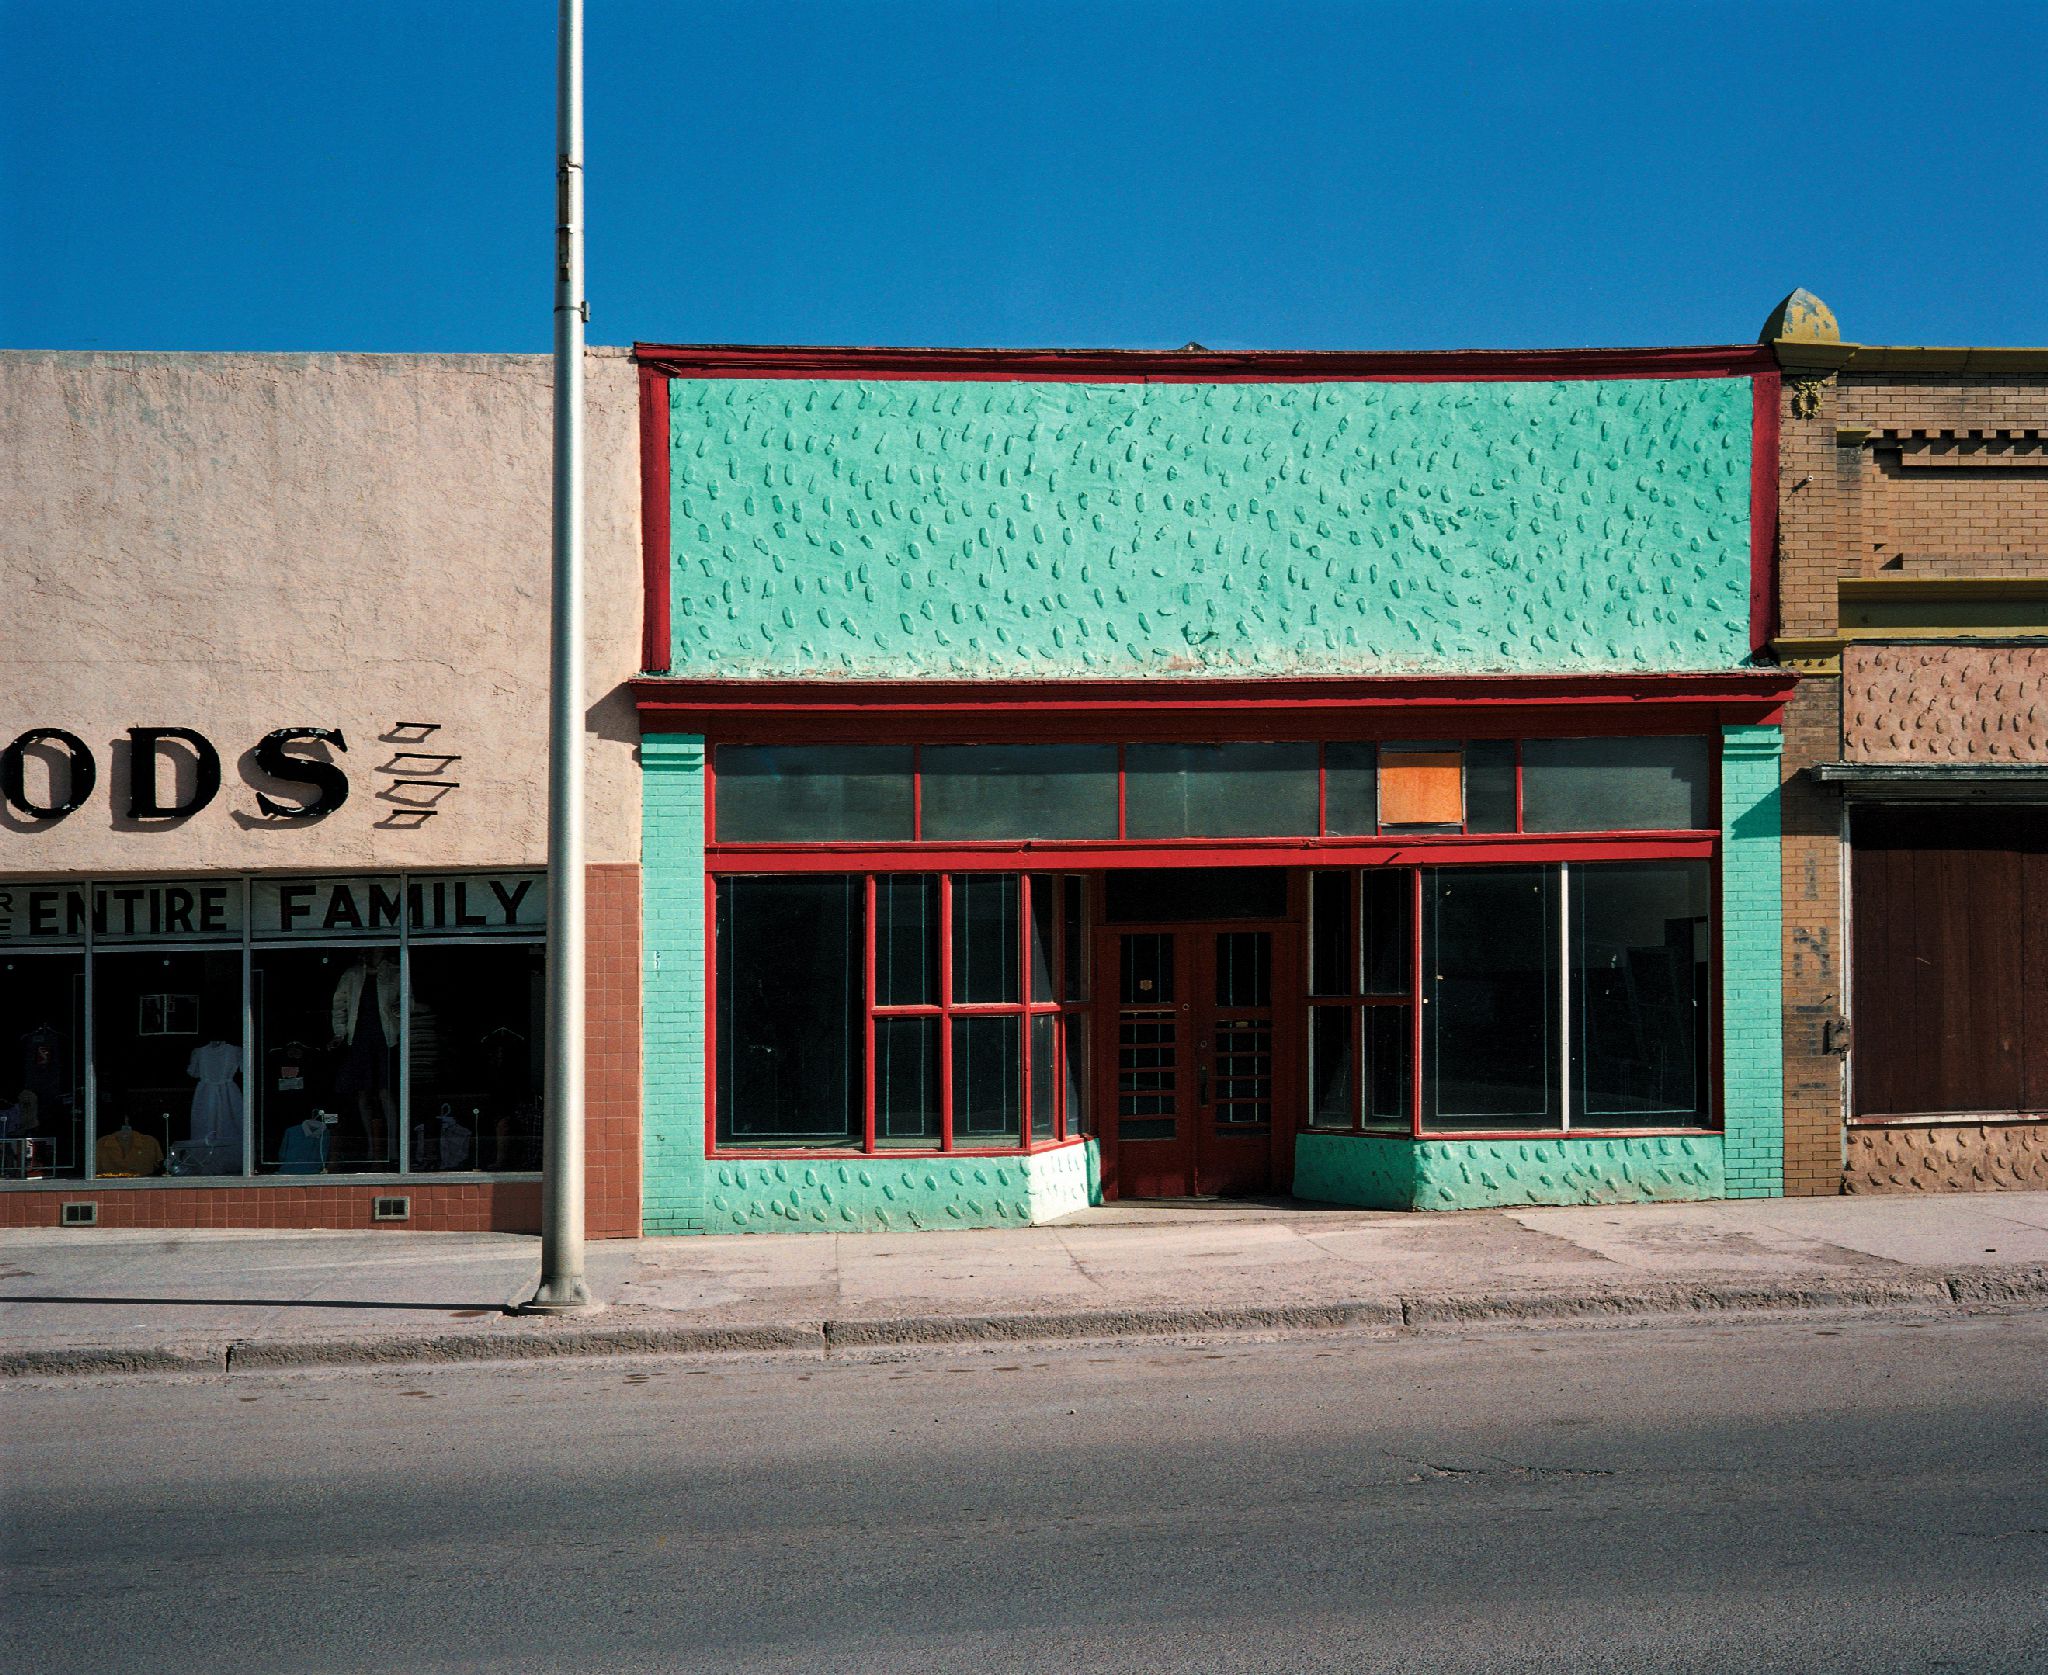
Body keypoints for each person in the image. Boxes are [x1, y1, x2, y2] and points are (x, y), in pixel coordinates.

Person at [331, 949, 399, 1166]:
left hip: (385, 1039)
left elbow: (408, 1003)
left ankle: (394, 1146)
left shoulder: (395, 972)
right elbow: (339, 1004)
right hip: (359, 1039)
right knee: (363, 1093)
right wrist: (340, 1032)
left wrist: (399, 1015)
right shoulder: (352, 974)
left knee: (385, 1091)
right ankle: (371, 1146)